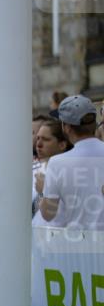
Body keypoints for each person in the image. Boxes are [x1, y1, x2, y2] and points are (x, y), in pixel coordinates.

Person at [41, 94, 104, 229]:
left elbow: (48, 214)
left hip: (77, 245)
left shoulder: (57, 163)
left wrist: (42, 192)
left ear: (67, 127)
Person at [32, 119, 70, 224]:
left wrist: (44, 189)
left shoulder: (70, 172)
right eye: (38, 138)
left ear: (62, 145)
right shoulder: (34, 170)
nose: (38, 144)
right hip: (35, 235)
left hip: (57, 236)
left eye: (45, 139)